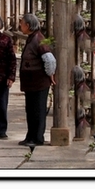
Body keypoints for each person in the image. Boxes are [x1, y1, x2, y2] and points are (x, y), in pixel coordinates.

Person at [18, 13, 57, 146]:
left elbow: (49, 59)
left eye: (22, 23)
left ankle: (37, 138)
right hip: (31, 83)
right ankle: (30, 136)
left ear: (28, 25)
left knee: (38, 111)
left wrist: (50, 74)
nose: (20, 26)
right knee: (30, 110)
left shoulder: (38, 39)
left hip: (39, 82)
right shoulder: (32, 38)